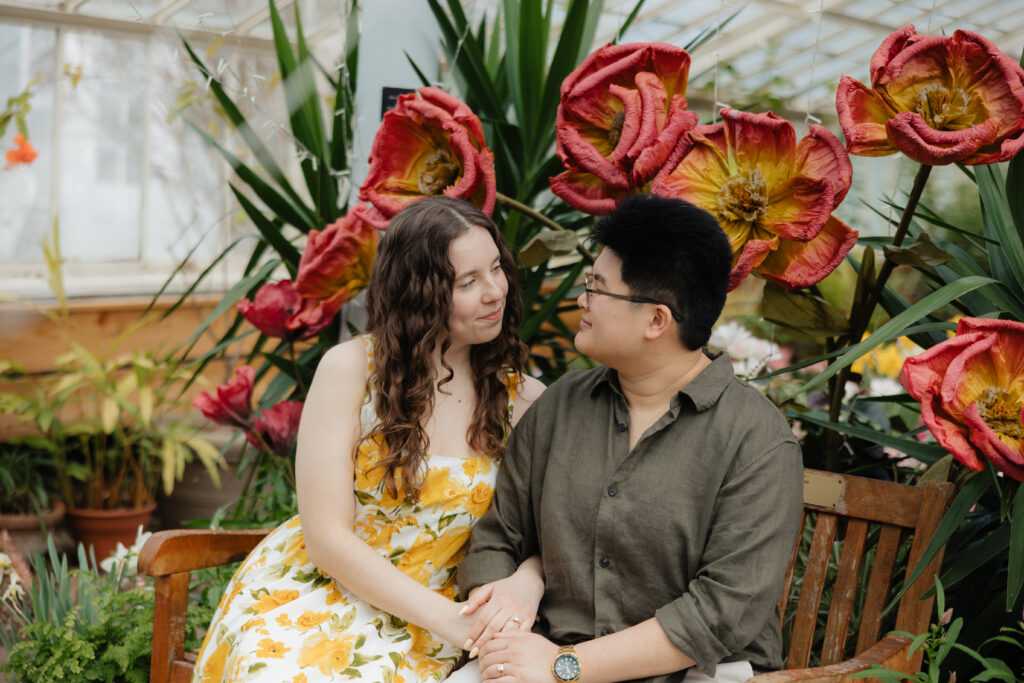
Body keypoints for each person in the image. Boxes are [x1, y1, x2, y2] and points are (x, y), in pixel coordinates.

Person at [192, 197, 547, 683]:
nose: (495, 292)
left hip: (450, 622)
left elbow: (554, 530)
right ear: (420, 293)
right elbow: (327, 540)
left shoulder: (522, 400)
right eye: (468, 282)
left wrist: (527, 582)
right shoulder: (351, 371)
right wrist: (449, 621)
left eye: (497, 269)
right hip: (325, 596)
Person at [457, 194, 804, 683]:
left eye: (597, 289)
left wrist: (564, 667)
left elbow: (719, 613)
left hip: (693, 674)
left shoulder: (757, 442)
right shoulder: (561, 406)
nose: (582, 301)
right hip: (539, 656)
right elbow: (498, 539)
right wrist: (510, 634)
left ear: (657, 320)